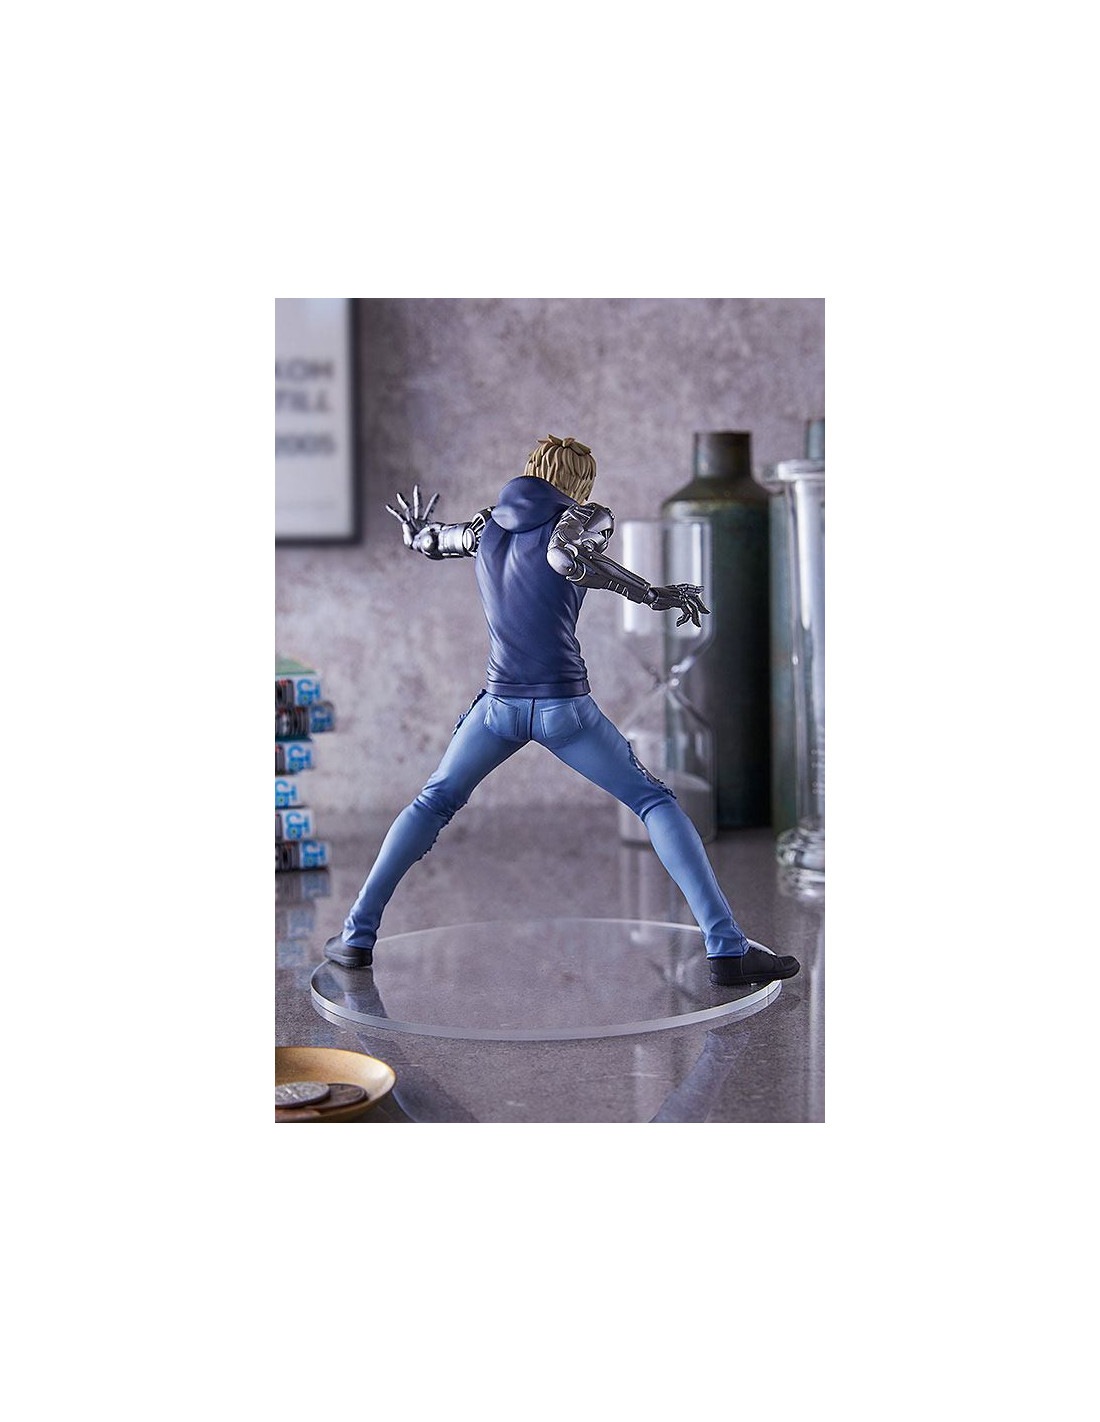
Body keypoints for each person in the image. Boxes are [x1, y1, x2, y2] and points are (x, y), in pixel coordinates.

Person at [324, 435, 799, 986]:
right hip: (563, 708)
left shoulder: (485, 526)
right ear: (579, 482)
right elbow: (565, 558)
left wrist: (415, 535)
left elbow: (434, 541)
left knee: (432, 803)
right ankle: (726, 947)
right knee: (654, 802)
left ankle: (355, 936)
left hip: (498, 706)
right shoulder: (582, 517)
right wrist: (653, 594)